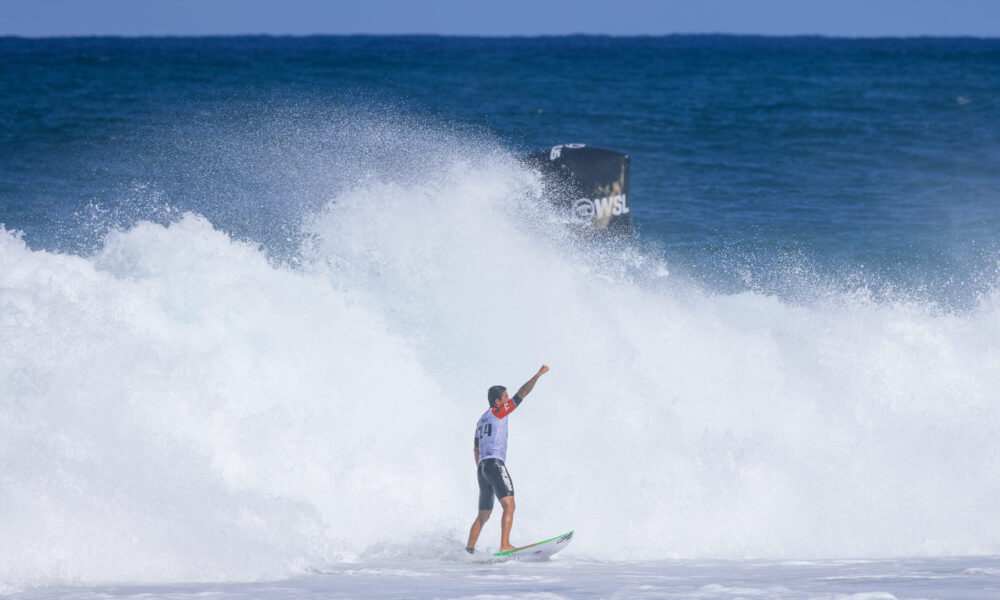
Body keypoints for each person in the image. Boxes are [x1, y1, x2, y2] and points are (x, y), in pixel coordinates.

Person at [465, 364, 549, 554]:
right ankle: (505, 544)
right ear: (497, 402)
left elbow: (476, 448)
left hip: (482, 467)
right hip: (494, 464)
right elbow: (523, 392)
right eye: (505, 397)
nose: (508, 400)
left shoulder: (481, 420)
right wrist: (538, 374)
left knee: (483, 515)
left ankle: (469, 549)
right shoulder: (500, 411)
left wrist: (481, 468)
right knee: (509, 505)